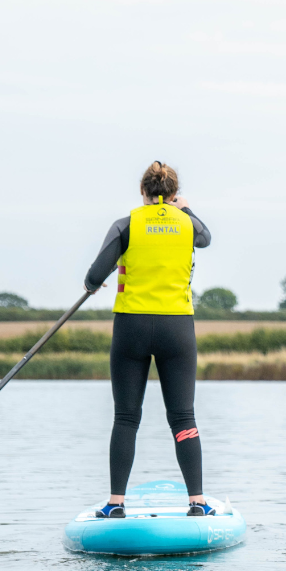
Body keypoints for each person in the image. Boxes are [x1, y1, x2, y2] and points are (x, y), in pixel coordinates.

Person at [83, 161, 213, 519]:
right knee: (183, 418)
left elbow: (95, 275)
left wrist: (92, 285)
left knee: (126, 417)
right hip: (177, 329)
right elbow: (205, 237)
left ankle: (115, 504)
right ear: (173, 194)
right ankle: (197, 503)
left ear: (143, 192)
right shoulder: (188, 224)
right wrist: (184, 209)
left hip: (131, 328)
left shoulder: (126, 224)